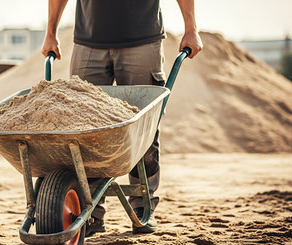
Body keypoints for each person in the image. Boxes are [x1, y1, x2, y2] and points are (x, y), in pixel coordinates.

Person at [41, 0, 203, 236]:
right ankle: (91, 214)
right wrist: (50, 34)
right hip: (88, 42)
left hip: (142, 39)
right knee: (85, 130)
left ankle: (142, 208)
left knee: (144, 129)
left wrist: (191, 29)